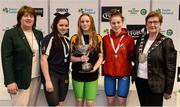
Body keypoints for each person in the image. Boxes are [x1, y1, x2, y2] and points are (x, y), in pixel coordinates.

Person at [132, 11, 177, 106]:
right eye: (150, 22)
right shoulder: (141, 38)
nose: (152, 25)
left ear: (160, 24)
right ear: (146, 24)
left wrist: (168, 90)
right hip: (140, 81)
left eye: (155, 22)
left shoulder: (167, 42)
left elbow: (171, 68)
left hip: (156, 84)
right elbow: (136, 58)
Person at [1, 5, 43, 106]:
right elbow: (6, 59)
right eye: (25, 16)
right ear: (20, 18)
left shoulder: (38, 34)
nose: (29, 18)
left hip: (36, 78)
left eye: (31, 16)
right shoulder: (11, 34)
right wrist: (10, 81)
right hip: (19, 80)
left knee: (32, 105)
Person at [102, 9, 135, 106]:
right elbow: (101, 56)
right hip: (109, 73)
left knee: (122, 102)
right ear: (110, 24)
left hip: (124, 74)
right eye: (113, 23)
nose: (116, 25)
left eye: (118, 22)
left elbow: (133, 56)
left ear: (122, 22)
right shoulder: (105, 39)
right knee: (110, 102)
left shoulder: (129, 39)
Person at [70, 13, 103, 106]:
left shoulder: (98, 38)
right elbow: (70, 57)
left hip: (92, 75)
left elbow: (101, 57)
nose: (85, 24)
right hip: (77, 74)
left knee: (90, 103)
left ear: (91, 23)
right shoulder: (74, 38)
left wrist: (94, 69)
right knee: (79, 102)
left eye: (87, 21)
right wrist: (80, 59)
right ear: (79, 24)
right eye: (82, 21)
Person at [41, 12, 71, 106]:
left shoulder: (67, 40)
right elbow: (43, 59)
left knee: (61, 104)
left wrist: (81, 59)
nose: (64, 27)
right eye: (61, 25)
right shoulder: (49, 38)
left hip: (64, 75)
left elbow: (67, 57)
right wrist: (48, 80)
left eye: (66, 25)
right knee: (54, 105)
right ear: (55, 25)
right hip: (52, 75)